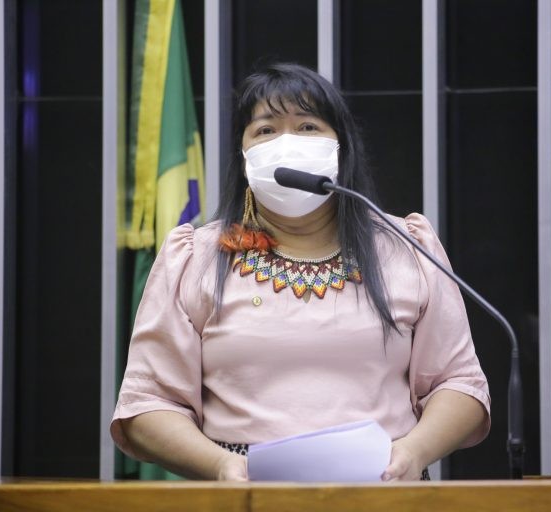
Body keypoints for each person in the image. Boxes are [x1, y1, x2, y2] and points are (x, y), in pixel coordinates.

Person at [111, 63, 490, 482]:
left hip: (384, 490)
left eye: (308, 127)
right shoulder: (195, 257)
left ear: (341, 149)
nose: (286, 143)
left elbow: (460, 385)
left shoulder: (408, 248)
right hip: (245, 493)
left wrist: (414, 452)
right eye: (265, 130)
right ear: (243, 155)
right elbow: (147, 405)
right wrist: (222, 464)